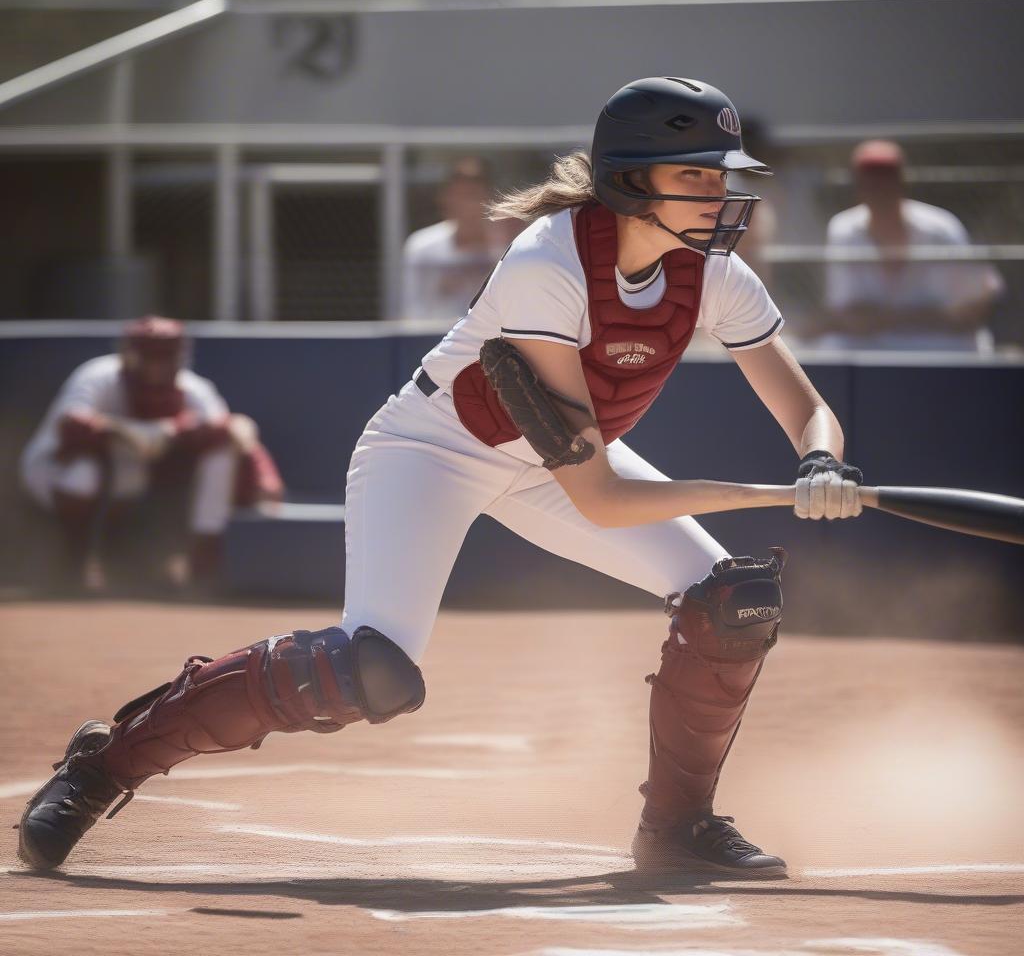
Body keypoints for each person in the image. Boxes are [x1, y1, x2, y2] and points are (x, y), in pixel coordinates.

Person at [18, 78, 863, 879]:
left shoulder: (713, 271)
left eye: (723, 176)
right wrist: (776, 494)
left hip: (553, 460)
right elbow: (601, 498)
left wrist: (819, 459)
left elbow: (805, 408)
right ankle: (106, 764)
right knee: (368, 670)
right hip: (432, 453)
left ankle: (678, 829)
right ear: (631, 180)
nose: (720, 195)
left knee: (733, 602)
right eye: (695, 176)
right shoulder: (551, 263)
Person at [18, 315, 284, 590]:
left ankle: (199, 563)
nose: (155, 367)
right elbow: (72, 429)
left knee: (215, 454)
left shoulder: (192, 388)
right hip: (52, 469)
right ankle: (74, 562)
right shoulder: (98, 375)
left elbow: (233, 431)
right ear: (128, 354)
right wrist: (122, 431)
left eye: (164, 357)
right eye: (148, 357)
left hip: (128, 474)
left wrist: (261, 472)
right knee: (82, 475)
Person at [816, 139, 1003, 351]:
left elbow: (971, 310)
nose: (879, 192)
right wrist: (926, 316)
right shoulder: (844, 230)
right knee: (833, 346)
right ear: (859, 188)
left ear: (901, 183)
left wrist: (885, 318)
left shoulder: (942, 228)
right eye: (870, 184)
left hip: (941, 343)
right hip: (876, 344)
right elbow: (848, 315)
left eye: (886, 182)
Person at [400, 156, 522, 319]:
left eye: (474, 196)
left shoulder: (511, 245)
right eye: (460, 196)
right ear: (445, 198)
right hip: (434, 339)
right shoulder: (422, 246)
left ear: (491, 199)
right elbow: (412, 308)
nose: (467, 205)